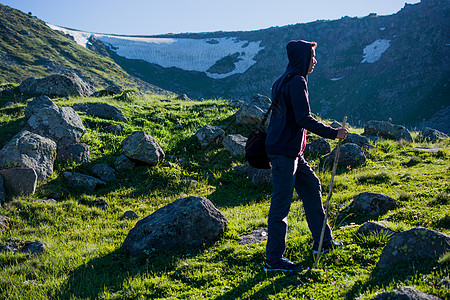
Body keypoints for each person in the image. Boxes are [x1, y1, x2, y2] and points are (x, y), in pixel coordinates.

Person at [264, 40, 348, 273]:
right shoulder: (298, 81)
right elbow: (303, 118)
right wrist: (334, 133)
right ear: (303, 58)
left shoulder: (281, 80)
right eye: (312, 56)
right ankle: (273, 260)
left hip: (288, 150)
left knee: (312, 186)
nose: (315, 60)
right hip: (284, 153)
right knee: (281, 203)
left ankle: (323, 243)